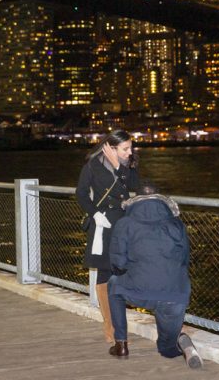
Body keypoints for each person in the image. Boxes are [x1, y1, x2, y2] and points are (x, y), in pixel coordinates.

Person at [106, 184, 203, 369]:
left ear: (135, 201)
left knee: (113, 285)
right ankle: (182, 343)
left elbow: (117, 263)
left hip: (139, 291)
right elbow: (184, 260)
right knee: (167, 350)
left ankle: (121, 344)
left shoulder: (124, 223)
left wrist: (130, 273)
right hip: (174, 296)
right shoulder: (176, 224)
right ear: (162, 200)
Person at [76, 129, 140, 343]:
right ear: (111, 147)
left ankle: (119, 323)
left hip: (124, 223)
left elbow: (132, 187)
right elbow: (81, 194)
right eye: (125, 148)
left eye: (130, 148)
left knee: (123, 270)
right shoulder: (92, 166)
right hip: (103, 223)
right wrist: (94, 215)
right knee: (105, 272)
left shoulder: (127, 164)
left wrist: (118, 165)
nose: (130, 152)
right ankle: (110, 326)